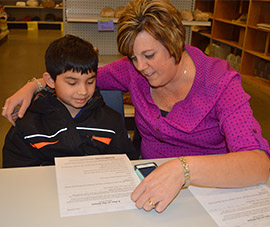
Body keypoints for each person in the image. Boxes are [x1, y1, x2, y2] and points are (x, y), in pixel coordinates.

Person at [2, 0, 270, 213]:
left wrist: (182, 169)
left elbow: (258, 164)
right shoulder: (134, 71)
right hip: (147, 186)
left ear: (176, 42)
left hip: (209, 189)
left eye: (149, 55)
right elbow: (79, 78)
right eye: (133, 57)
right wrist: (35, 85)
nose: (141, 67)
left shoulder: (220, 82)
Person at [2, 34, 138, 168]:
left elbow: (125, 163)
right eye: (72, 83)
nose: (83, 91)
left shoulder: (111, 121)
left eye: (90, 82)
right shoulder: (28, 125)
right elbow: (16, 172)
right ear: (50, 80)